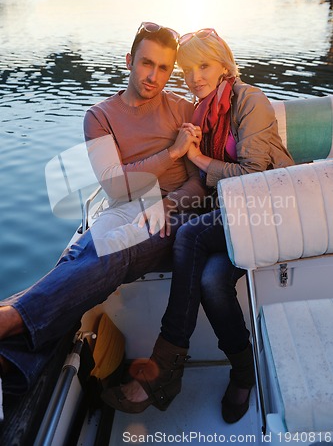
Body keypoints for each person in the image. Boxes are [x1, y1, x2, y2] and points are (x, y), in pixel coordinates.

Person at [0, 22, 207, 399]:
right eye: (147, 63)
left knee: (110, 253)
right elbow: (114, 185)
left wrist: (166, 202)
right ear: (129, 61)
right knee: (87, 252)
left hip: (172, 213)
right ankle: (14, 358)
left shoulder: (183, 109)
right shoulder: (99, 117)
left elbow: (200, 182)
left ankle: (11, 317)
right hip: (122, 205)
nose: (154, 76)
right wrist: (171, 153)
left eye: (164, 68)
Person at [102, 28, 294, 423]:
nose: (195, 78)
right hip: (230, 214)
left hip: (268, 209)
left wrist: (199, 159)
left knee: (189, 234)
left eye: (203, 66)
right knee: (210, 280)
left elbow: (253, 174)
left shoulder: (249, 100)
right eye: (188, 71)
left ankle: (165, 362)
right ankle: (243, 372)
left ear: (224, 63)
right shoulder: (203, 110)